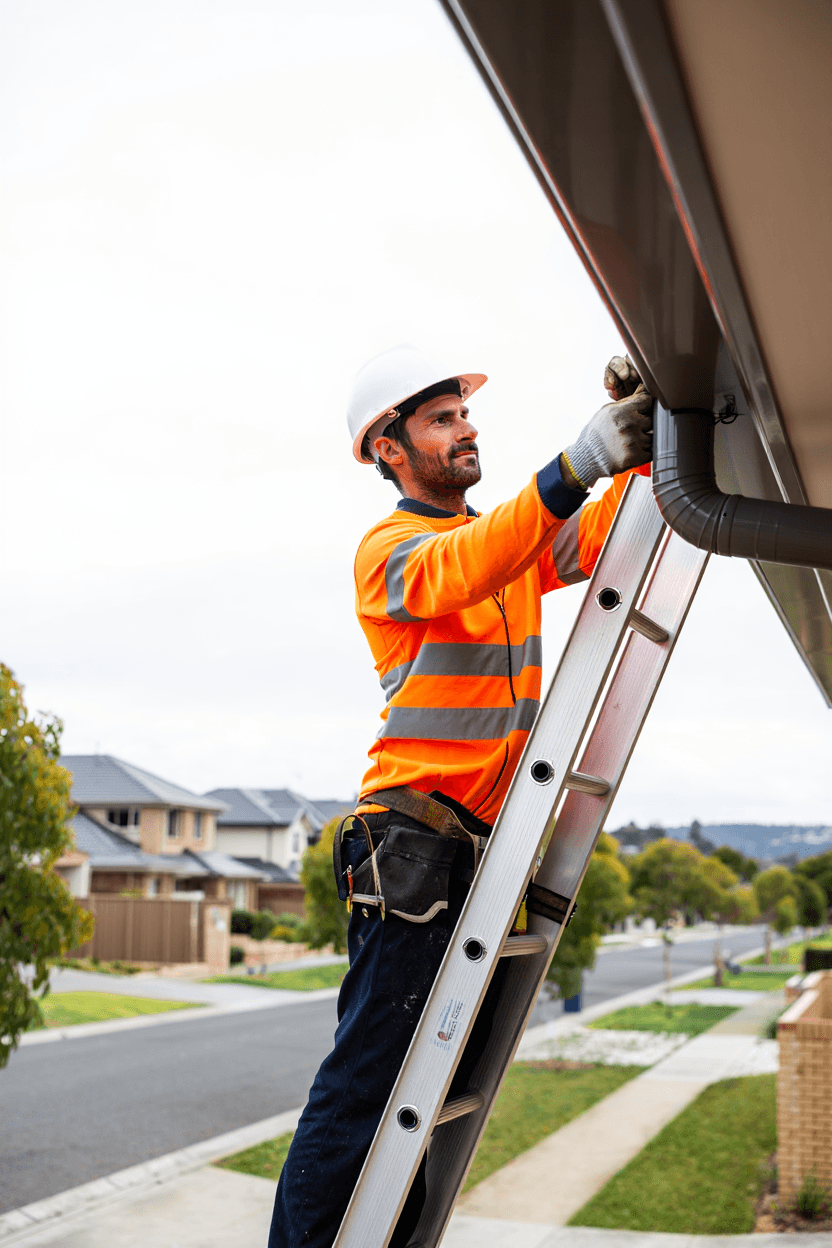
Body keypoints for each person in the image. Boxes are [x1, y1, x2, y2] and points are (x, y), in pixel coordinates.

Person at [268, 346, 652, 1248]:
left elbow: (589, 540)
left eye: (464, 414)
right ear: (388, 451)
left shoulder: (505, 545)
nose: (466, 427)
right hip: (409, 842)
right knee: (369, 1087)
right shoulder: (392, 551)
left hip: (470, 851)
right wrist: (579, 460)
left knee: (419, 1100)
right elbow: (465, 564)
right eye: (441, 420)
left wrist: (644, 438)